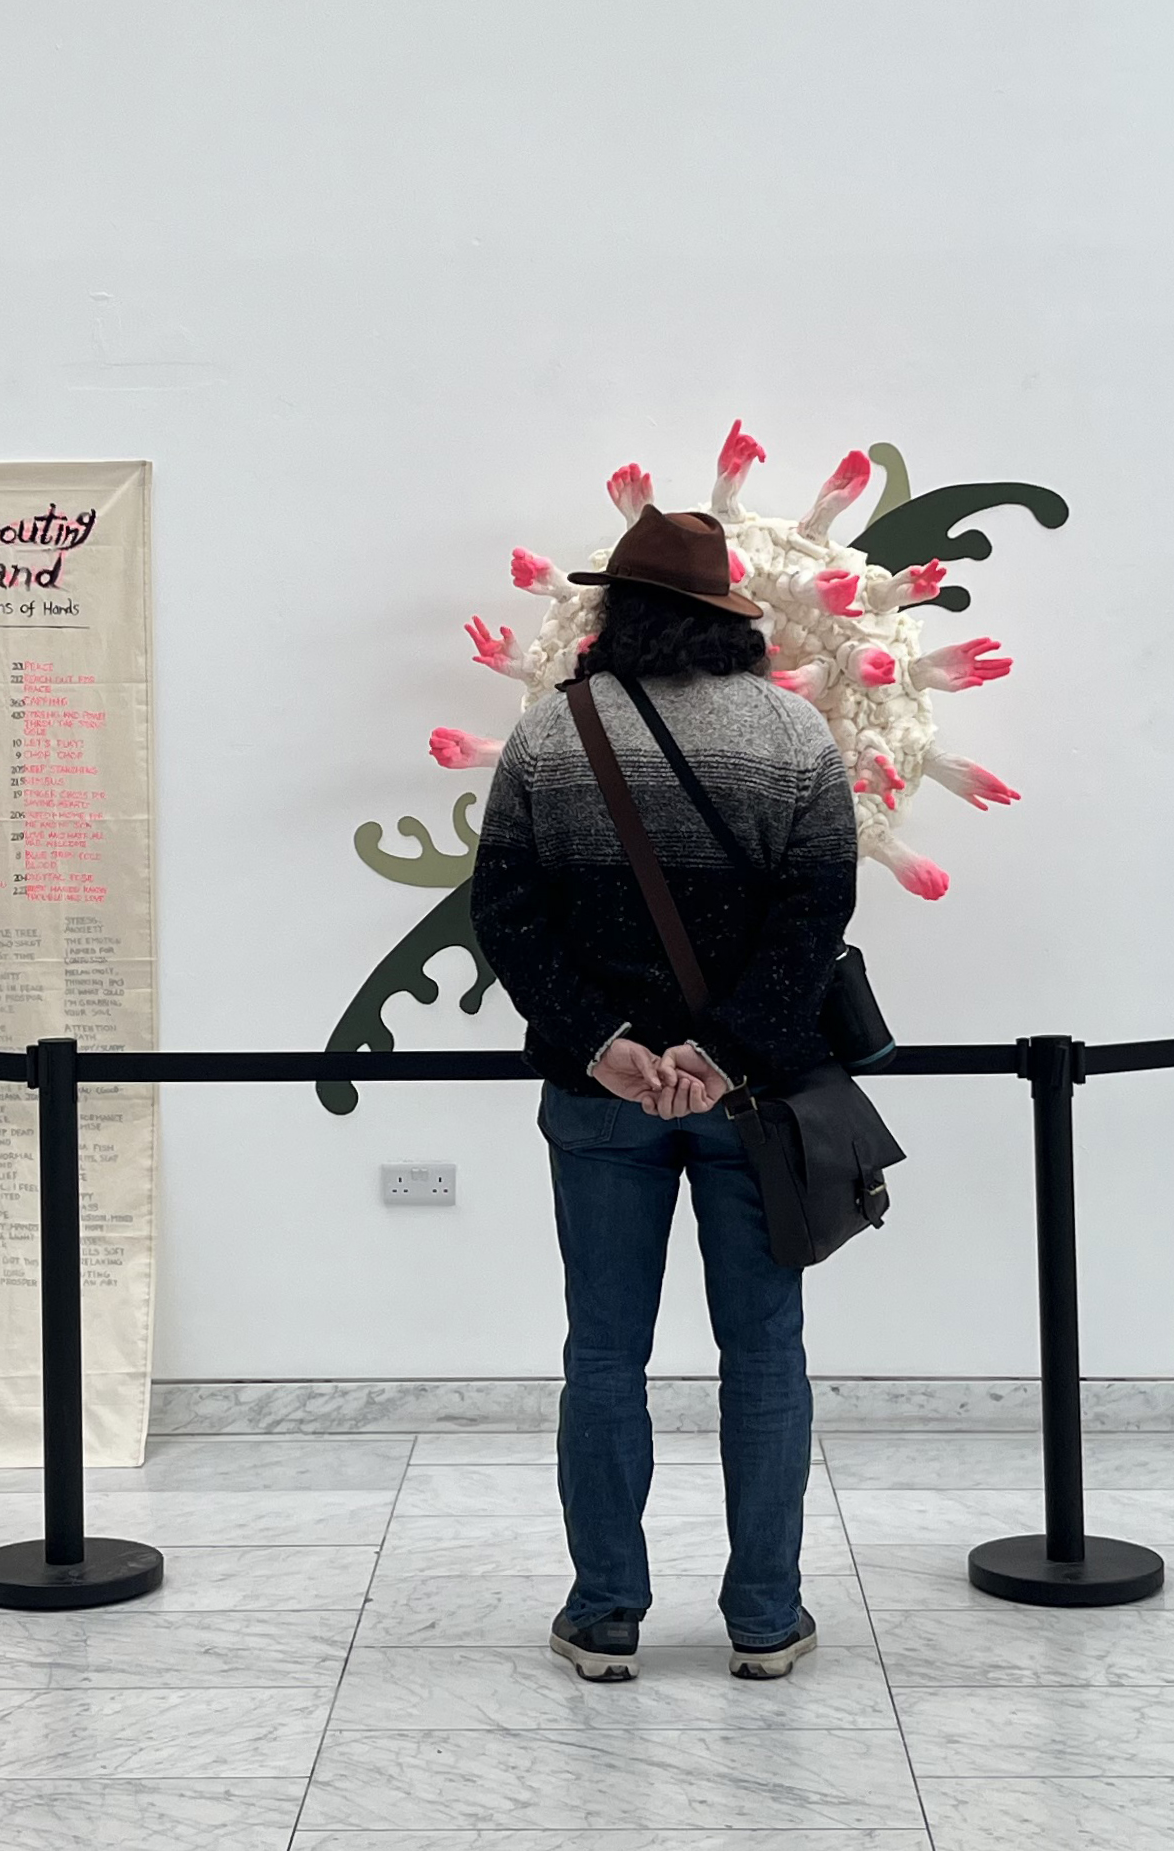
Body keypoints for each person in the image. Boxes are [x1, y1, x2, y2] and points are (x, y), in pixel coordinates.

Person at [467, 503, 860, 1684]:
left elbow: (504, 912)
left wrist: (604, 1045)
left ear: (616, 611)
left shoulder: (549, 733)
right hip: (753, 1099)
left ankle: (602, 1614)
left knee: (601, 1353)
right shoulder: (796, 736)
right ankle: (761, 1617)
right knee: (765, 1354)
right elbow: (816, 917)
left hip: (601, 1099)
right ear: (728, 618)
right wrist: (721, 1053)